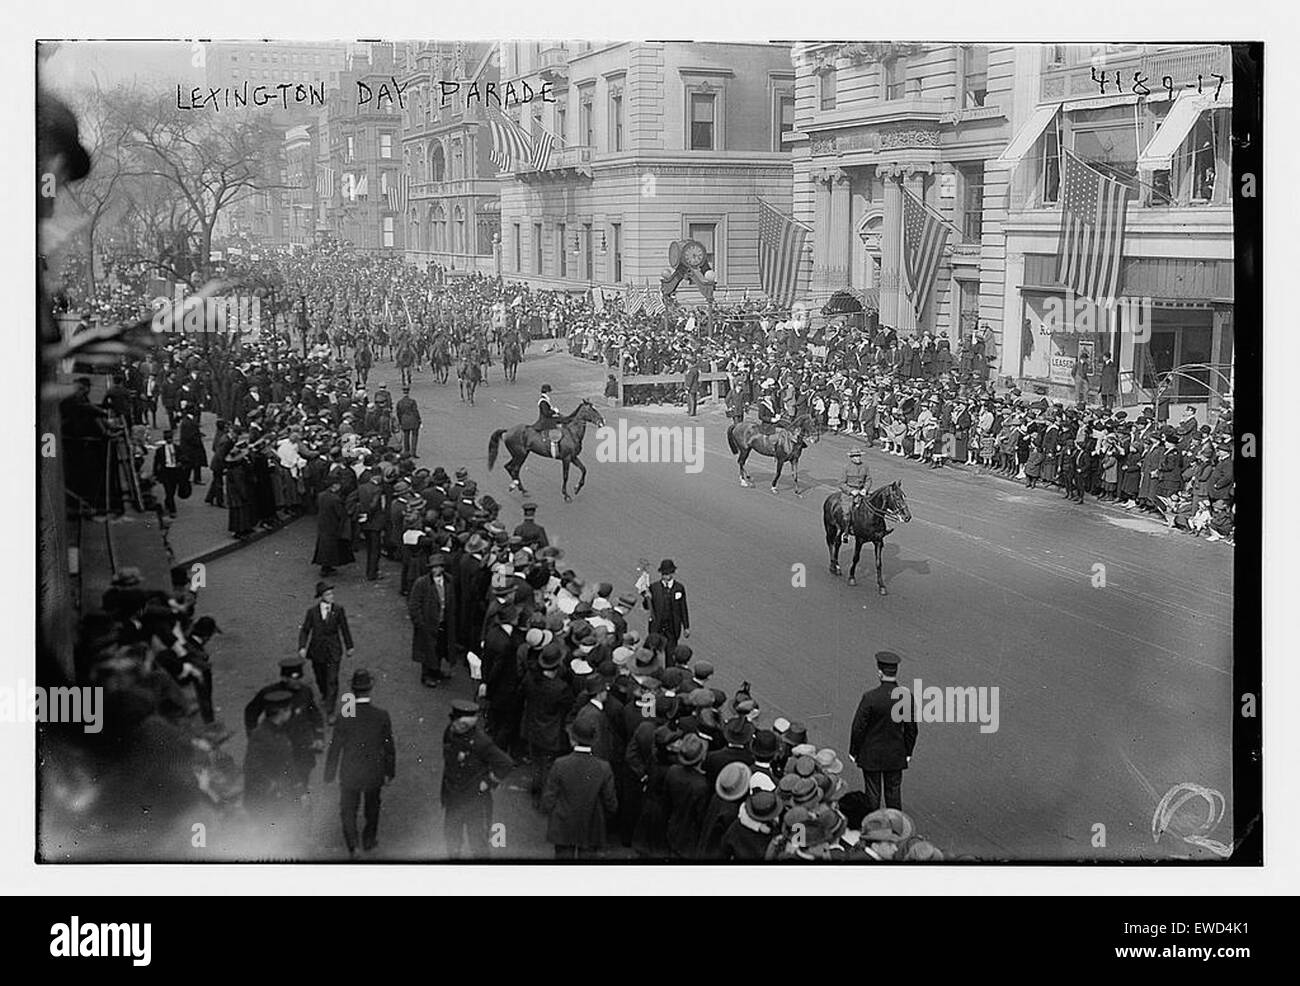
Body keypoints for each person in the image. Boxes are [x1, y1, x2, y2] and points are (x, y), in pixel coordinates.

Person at [323, 668, 396, 858]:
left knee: (348, 808)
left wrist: (329, 773)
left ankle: (353, 845)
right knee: (372, 807)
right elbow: (389, 747)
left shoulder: (345, 715)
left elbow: (335, 747)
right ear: (370, 689)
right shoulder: (382, 716)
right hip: (373, 770)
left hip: (350, 771)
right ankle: (369, 840)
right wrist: (389, 772)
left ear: (353, 690)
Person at [441, 699, 515, 858]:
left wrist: (489, 782)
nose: (455, 727)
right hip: (453, 796)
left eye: (461, 725)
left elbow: (506, 763)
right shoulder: (450, 732)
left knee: (478, 843)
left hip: (475, 801)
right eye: (455, 723)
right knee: (452, 839)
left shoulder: (482, 742)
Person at [541, 715, 618, 860]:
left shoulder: (560, 764)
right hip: (591, 825)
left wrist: (549, 812)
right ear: (594, 740)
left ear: (572, 739)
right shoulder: (604, 767)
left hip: (563, 824)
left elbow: (548, 799)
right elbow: (611, 803)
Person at [849, 650, 918, 812]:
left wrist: (854, 750)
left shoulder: (870, 697)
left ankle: (873, 828)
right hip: (895, 754)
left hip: (871, 754)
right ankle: (897, 828)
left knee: (872, 794)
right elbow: (911, 729)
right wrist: (908, 752)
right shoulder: (905, 697)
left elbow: (858, 726)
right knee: (893, 793)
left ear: (880, 673)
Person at [245, 655, 325, 793]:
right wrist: (253, 735)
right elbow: (250, 712)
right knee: (280, 782)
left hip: (302, 746)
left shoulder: (305, 691)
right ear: (284, 678)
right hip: (278, 746)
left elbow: (314, 714)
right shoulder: (270, 693)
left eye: (300, 677)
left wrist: (319, 736)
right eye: (294, 678)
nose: (298, 682)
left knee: (302, 779)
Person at [297, 581, 355, 718]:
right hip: (317, 650)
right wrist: (302, 646)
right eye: (328, 594)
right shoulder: (312, 612)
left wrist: (349, 646)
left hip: (334, 649)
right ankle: (324, 693)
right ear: (321, 596)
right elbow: (305, 630)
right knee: (320, 676)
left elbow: (344, 628)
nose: (331, 596)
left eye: (332, 593)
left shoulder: (338, 610)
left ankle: (330, 710)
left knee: (332, 679)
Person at [242, 689, 301, 821]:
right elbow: (251, 767)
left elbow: (287, 761)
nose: (291, 713)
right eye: (289, 709)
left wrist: (298, 788)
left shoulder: (279, 730)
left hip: (278, 797)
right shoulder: (261, 735)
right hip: (264, 800)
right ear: (281, 711)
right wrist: (272, 785)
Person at [408, 551, 455, 687]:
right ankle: (426, 675)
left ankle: (436, 670)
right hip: (428, 623)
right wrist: (420, 623)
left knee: (440, 647)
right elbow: (414, 605)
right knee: (427, 650)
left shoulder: (449, 580)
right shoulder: (422, 583)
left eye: (438, 567)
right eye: (433, 567)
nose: (436, 570)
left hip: (443, 621)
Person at [641, 559, 690, 654]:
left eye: (668, 573)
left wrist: (686, 626)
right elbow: (647, 606)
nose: (666, 576)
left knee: (671, 654)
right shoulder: (654, 587)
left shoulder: (679, 588)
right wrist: (647, 598)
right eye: (664, 574)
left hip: (672, 627)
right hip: (657, 626)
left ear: (673, 573)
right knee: (653, 653)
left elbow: (683, 608)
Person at [312, 478, 354, 576]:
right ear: (334, 486)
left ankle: (326, 566)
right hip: (333, 525)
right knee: (331, 547)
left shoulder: (321, 495)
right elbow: (340, 513)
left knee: (324, 546)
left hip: (323, 524)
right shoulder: (335, 499)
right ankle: (326, 567)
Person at [838, 448, 871, 544]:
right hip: (849, 494)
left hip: (862, 492)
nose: (858, 458)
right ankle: (845, 532)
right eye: (855, 456)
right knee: (847, 512)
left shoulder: (865, 466)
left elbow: (868, 479)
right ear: (851, 458)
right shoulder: (846, 467)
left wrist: (865, 489)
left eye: (859, 455)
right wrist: (851, 491)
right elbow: (841, 483)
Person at [151, 429, 187, 517]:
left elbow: (183, 458)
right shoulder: (160, 450)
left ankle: (167, 502)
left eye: (170, 438)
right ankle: (172, 510)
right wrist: (155, 474)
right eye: (167, 438)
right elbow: (156, 463)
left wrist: (181, 463)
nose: (169, 440)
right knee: (169, 490)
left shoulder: (177, 448)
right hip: (166, 472)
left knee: (173, 490)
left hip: (175, 471)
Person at [395, 386, 421, 455]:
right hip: (413, 420)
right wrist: (419, 419)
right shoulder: (412, 401)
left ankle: (407, 451)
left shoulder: (400, 402)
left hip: (404, 420)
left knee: (406, 436)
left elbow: (398, 413)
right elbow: (415, 411)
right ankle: (413, 451)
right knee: (415, 436)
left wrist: (400, 421)